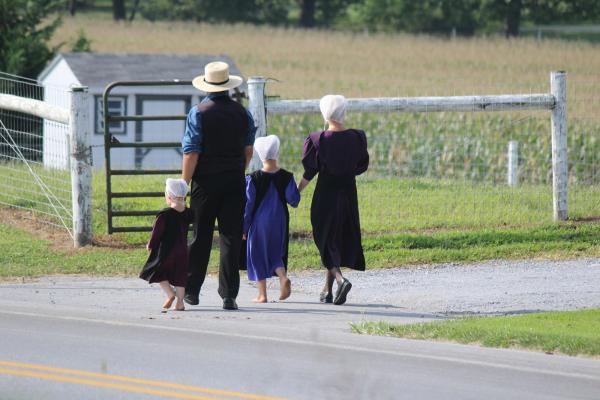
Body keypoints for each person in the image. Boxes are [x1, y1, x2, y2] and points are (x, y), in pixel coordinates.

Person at [181, 61, 256, 310]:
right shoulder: (243, 113)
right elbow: (248, 150)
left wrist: (184, 182)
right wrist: (237, 170)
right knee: (231, 237)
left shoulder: (198, 113)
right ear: (228, 86)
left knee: (201, 235)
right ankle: (229, 294)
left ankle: (192, 290)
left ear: (207, 85)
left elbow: (192, 152)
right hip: (234, 180)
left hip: (205, 182)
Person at [298, 95, 369, 305]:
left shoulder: (318, 140)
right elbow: (361, 166)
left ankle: (340, 279)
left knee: (323, 237)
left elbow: (310, 171)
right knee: (335, 238)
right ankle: (327, 291)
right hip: (348, 192)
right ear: (344, 112)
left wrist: (297, 190)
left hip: (326, 194)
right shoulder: (357, 137)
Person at [242, 135, 300, 303]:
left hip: (259, 222)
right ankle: (283, 278)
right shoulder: (287, 177)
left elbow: (248, 206)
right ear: (277, 152)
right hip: (280, 220)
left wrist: (244, 228)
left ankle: (262, 295)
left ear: (259, 154)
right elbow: (294, 201)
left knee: (257, 254)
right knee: (275, 253)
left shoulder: (252, 178)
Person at [140, 178, 193, 312]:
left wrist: (150, 244)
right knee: (180, 276)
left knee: (158, 271)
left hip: (166, 251)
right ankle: (180, 303)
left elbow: (157, 232)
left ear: (169, 197)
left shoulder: (164, 215)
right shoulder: (188, 213)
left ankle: (170, 294)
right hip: (182, 250)